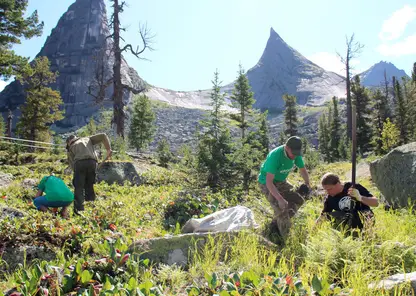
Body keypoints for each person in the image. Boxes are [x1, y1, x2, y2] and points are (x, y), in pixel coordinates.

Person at [258, 136, 311, 239]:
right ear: (287, 148)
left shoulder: (296, 153)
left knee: (299, 200)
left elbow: (302, 169)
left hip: (281, 181)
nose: (294, 157)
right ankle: (285, 241)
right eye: (293, 154)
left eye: (297, 154)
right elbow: (269, 182)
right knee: (282, 210)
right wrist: (280, 199)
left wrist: (308, 184)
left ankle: (275, 224)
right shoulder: (275, 156)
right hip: (266, 183)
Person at [66, 133, 112, 215]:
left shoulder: (70, 148)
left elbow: (72, 165)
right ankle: (91, 208)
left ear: (69, 142)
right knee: (89, 186)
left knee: (79, 187)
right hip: (92, 162)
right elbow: (103, 136)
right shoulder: (88, 139)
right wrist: (108, 149)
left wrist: (77, 176)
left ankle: (79, 210)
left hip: (79, 163)